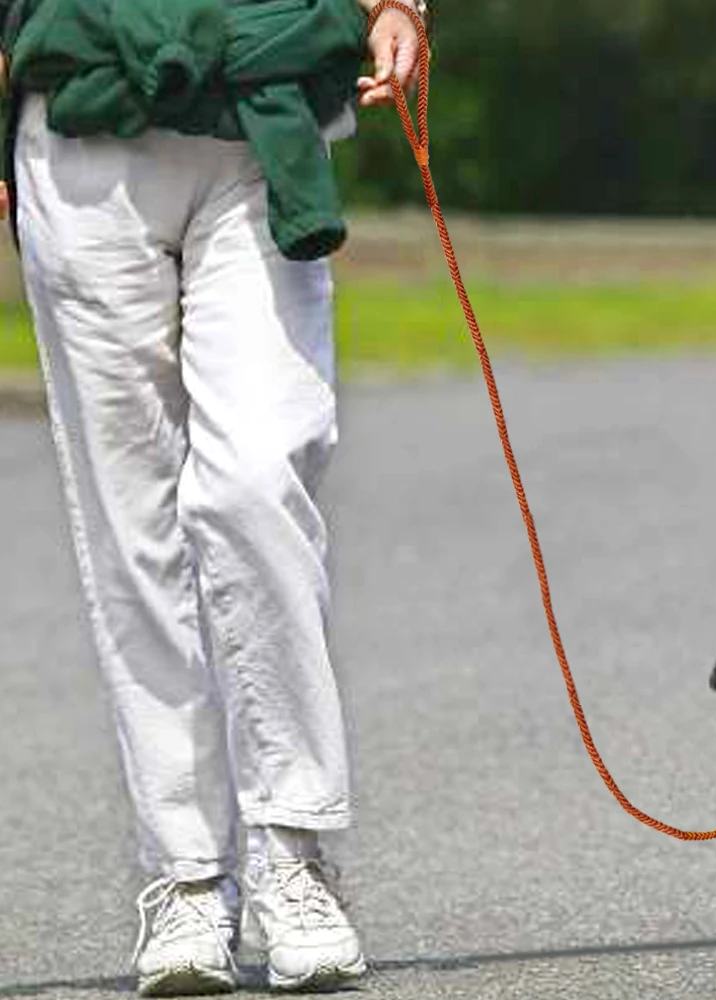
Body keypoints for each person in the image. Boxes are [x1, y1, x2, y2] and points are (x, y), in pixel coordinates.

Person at [0, 0, 422, 994]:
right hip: (81, 119)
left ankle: (293, 852)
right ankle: (186, 875)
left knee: (253, 481)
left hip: (261, 101)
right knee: (131, 522)